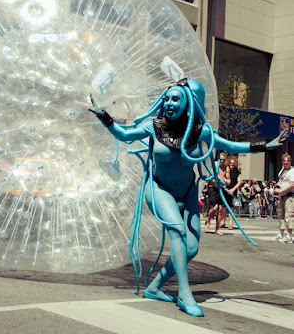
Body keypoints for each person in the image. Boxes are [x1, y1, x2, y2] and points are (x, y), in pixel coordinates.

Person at [90, 78, 286, 317]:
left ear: (188, 103)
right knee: (178, 233)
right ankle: (184, 294)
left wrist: (264, 147)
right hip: (159, 188)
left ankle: (154, 287)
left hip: (187, 190)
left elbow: (229, 146)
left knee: (191, 248)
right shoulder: (154, 126)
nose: (170, 103)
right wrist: (105, 117)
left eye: (176, 99)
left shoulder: (200, 130)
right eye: (167, 98)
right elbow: (124, 135)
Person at [204, 151, 230, 235]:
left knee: (220, 210)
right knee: (214, 208)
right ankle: (207, 221)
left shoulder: (226, 168)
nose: (221, 161)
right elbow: (209, 176)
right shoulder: (214, 165)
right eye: (220, 159)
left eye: (223, 160)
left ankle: (217, 229)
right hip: (213, 189)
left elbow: (229, 181)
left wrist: (223, 180)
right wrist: (214, 180)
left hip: (221, 190)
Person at [271, 153, 294, 243]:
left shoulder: (292, 171)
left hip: (289, 196)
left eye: (288, 161)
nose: (286, 163)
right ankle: (281, 233)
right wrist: (277, 187)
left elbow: (293, 183)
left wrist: (283, 190)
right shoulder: (282, 171)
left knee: (289, 215)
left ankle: (289, 235)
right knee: (281, 214)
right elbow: (280, 181)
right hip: (282, 196)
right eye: (284, 161)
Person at [220, 155, 242, 229]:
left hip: (232, 191)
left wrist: (233, 189)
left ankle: (230, 224)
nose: (232, 164)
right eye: (231, 162)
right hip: (225, 189)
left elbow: (239, 182)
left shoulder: (237, 172)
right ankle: (223, 222)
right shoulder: (226, 170)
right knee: (223, 207)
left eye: (233, 163)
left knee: (231, 207)